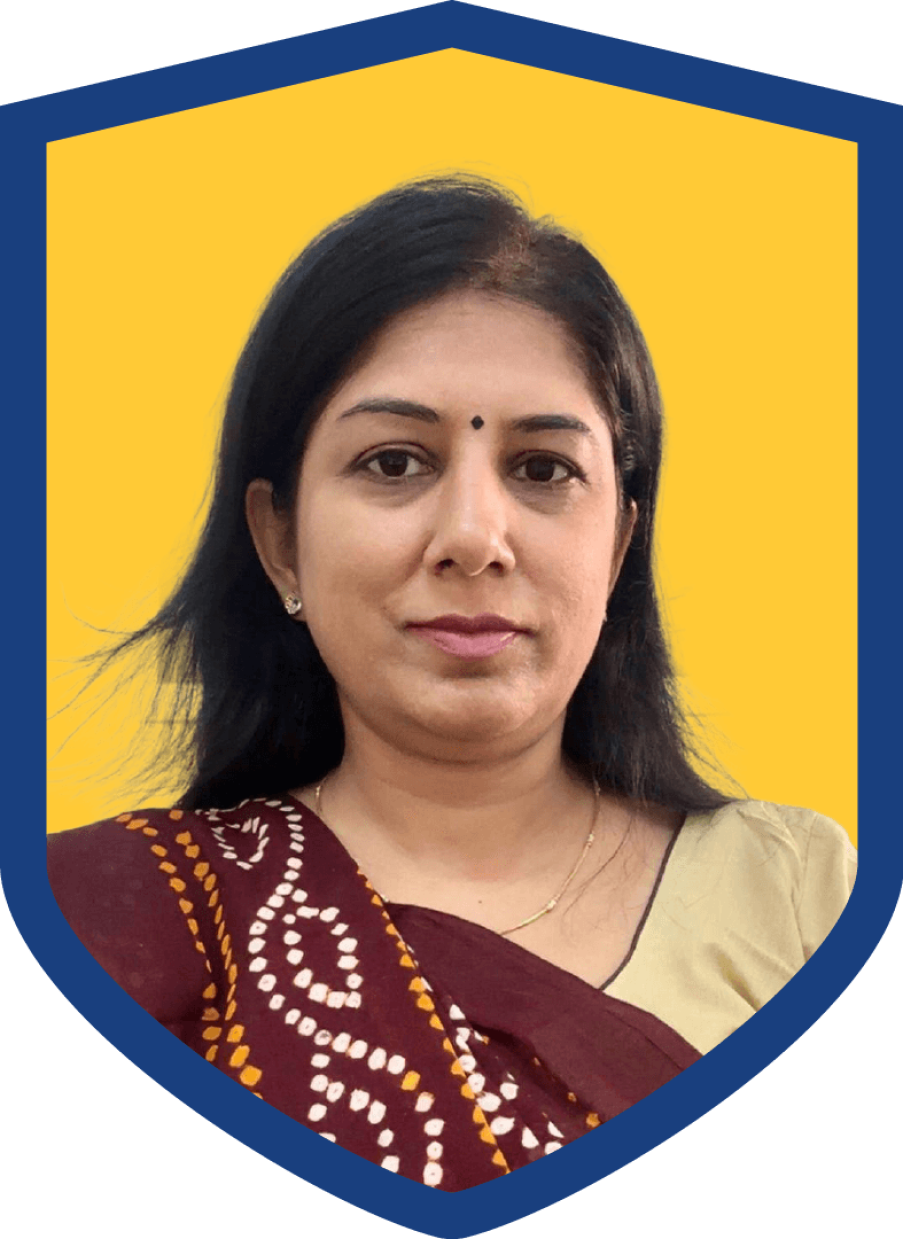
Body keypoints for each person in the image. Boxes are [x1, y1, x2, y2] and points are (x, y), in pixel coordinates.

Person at [47, 174, 856, 1191]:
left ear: (619, 546)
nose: (474, 537)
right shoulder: (115, 926)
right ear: (280, 539)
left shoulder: (799, 895)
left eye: (543, 469)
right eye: (394, 463)